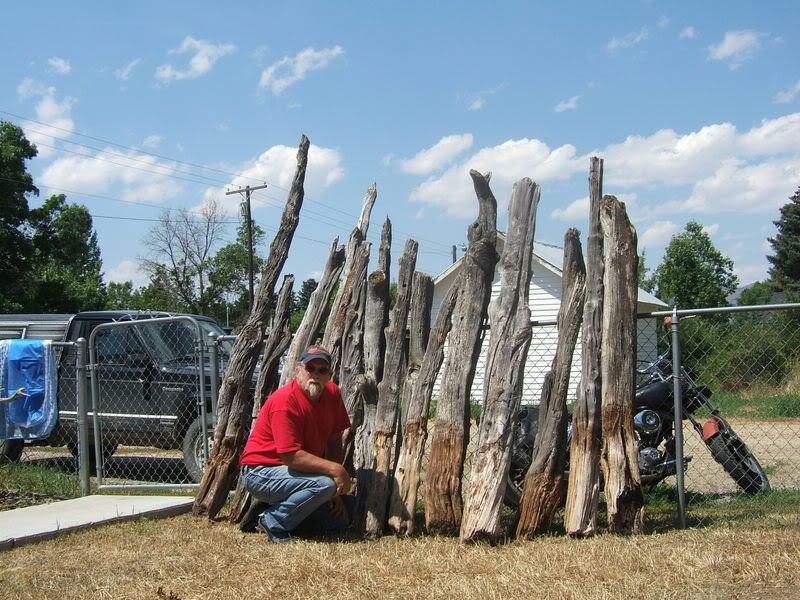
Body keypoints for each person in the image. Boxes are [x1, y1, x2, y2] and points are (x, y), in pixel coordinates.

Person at [239, 345, 353, 543]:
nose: (315, 375)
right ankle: (272, 520)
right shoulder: (285, 401)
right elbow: (290, 456)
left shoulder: (332, 394)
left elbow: (334, 440)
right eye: (310, 368)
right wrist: (335, 471)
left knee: (339, 521)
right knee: (323, 485)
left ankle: (270, 510)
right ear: (298, 371)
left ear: (329, 375)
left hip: (295, 474)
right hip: (261, 472)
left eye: (322, 370)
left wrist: (336, 490)